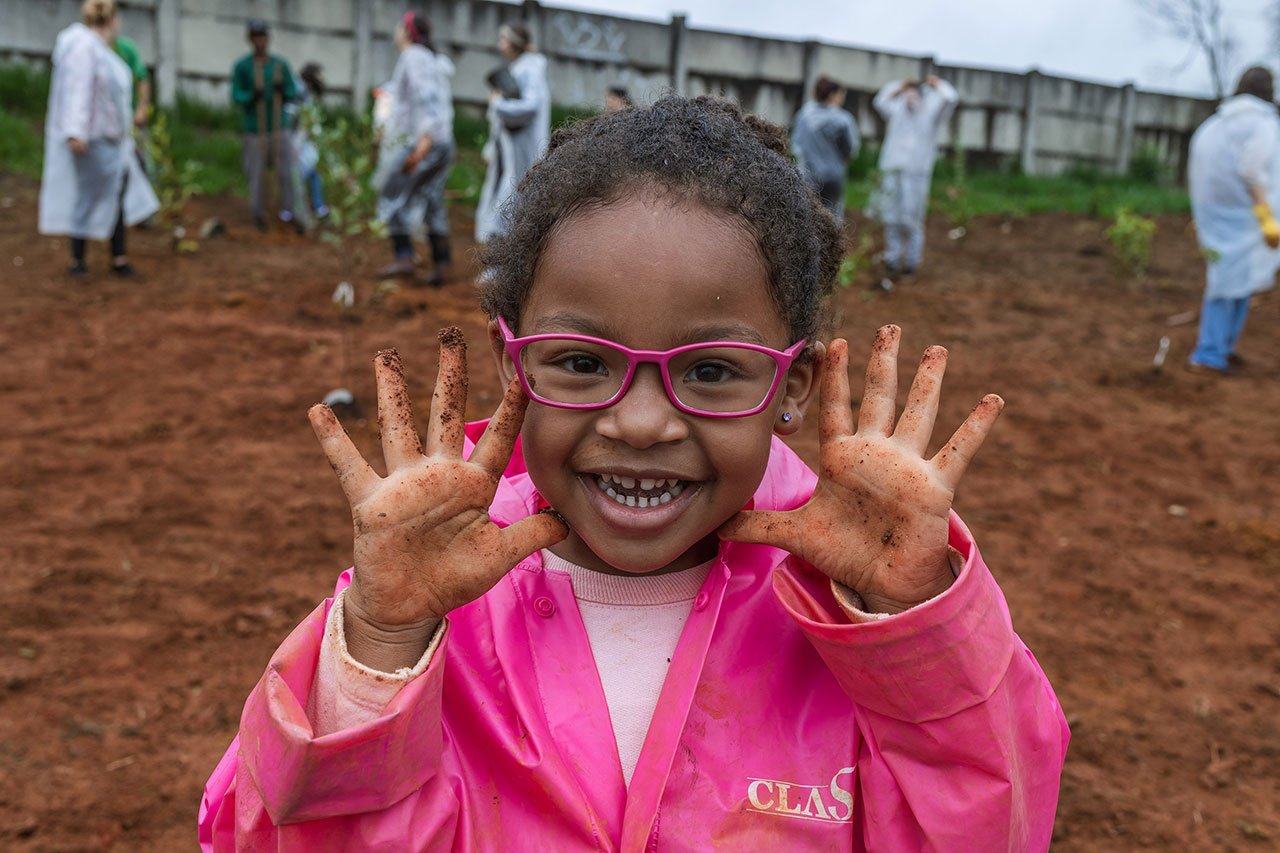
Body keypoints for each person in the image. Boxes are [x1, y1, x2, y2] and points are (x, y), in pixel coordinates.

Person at [199, 96, 1068, 849]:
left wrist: (914, 623)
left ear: (789, 386)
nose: (643, 422)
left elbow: (991, 827)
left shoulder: (864, 606)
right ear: (515, 369)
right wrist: (379, 643)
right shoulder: (426, 592)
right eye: (580, 361)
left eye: (711, 370)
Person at [38, 0, 158, 278]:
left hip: (111, 140)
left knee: (116, 192)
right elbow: (78, 90)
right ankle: (79, 260)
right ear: (113, 19)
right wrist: (76, 131)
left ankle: (117, 256)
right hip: (92, 140)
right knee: (89, 195)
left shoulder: (98, 49)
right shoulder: (84, 47)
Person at [1187, 66, 1280, 375]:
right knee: (1227, 281)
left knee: (1238, 279)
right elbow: (1252, 171)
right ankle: (1210, 353)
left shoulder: (1218, 122)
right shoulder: (1262, 124)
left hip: (1218, 214)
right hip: (1245, 215)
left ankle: (1223, 348)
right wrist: (1265, 216)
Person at [373, 11, 456, 284]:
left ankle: (404, 256)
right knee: (431, 197)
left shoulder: (413, 56)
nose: (395, 31)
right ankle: (442, 263)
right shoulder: (429, 58)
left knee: (391, 190)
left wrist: (423, 141)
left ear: (407, 32)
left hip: (422, 142)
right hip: (440, 141)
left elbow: (426, 98)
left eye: (399, 27)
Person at [872, 75, 959, 278]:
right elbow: (880, 100)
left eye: (913, 96)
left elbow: (951, 99)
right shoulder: (897, 111)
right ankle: (892, 260)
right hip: (892, 174)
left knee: (913, 219)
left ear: (922, 98)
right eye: (906, 96)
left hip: (916, 177)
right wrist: (899, 85)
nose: (909, 100)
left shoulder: (931, 115)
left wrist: (938, 84)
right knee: (891, 217)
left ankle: (911, 262)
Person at [475, 22, 550, 243]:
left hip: (522, 148)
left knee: (513, 199)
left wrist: (498, 103)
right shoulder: (519, 67)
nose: (500, 44)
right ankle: (499, 260)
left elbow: (530, 106)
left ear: (515, 43)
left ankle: (502, 263)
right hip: (508, 147)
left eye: (504, 39)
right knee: (506, 197)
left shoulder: (530, 69)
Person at [230, 18, 299, 232]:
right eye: (256, 36)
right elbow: (236, 96)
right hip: (254, 130)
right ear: (250, 39)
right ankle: (259, 214)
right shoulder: (243, 66)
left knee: (287, 173)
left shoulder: (279, 65)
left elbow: (293, 91)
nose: (260, 40)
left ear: (268, 38)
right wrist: (251, 96)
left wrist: (283, 91)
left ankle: (289, 213)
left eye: (263, 36)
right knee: (256, 174)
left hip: (280, 127)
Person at [792, 74, 860, 223]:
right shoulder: (843, 119)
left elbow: (796, 144)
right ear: (832, 95)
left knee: (807, 215)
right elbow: (851, 149)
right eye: (841, 94)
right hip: (833, 175)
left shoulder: (804, 114)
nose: (842, 98)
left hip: (808, 173)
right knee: (832, 217)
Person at [290, 62, 329, 221]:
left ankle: (317, 207)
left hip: (303, 141)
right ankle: (299, 211)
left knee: (312, 174)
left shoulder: (304, 90)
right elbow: (298, 116)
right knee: (300, 175)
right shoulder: (299, 89)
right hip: (296, 140)